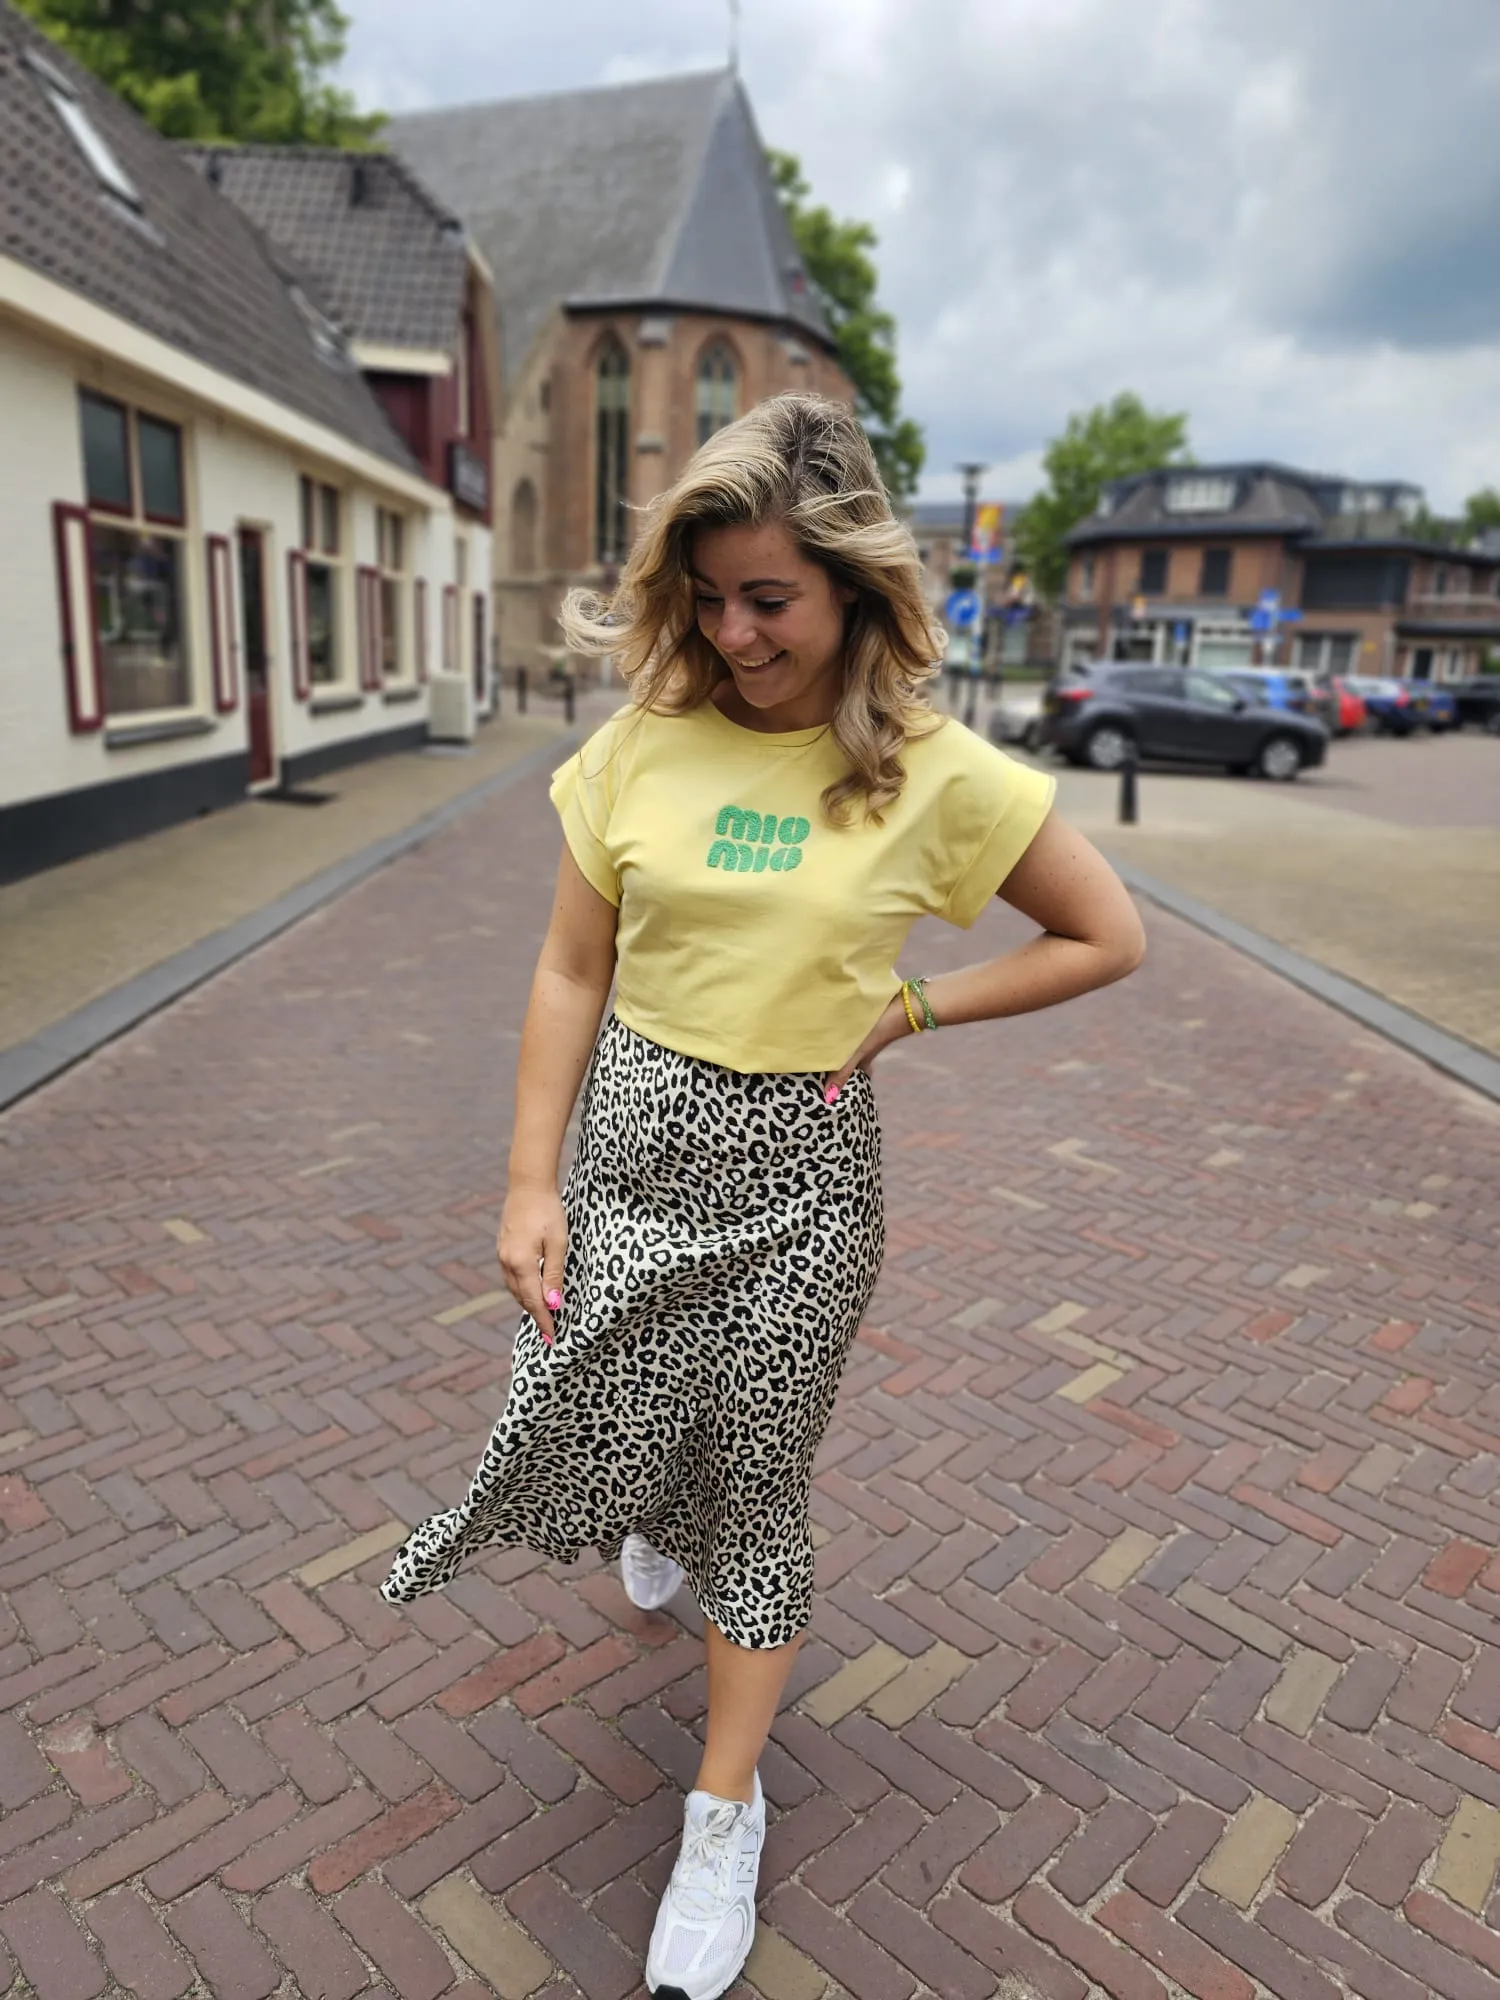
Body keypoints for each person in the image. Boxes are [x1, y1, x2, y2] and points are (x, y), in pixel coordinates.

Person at [381, 393, 1145, 2000]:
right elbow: (569, 966)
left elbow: (1106, 935)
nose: (734, 633)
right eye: (711, 595)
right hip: (630, 1156)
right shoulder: (638, 744)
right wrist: (526, 1181)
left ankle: (722, 1811)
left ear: (855, 593)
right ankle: (661, 1519)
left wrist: (917, 1006)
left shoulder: (935, 776)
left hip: (804, 1185)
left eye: (771, 599)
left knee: (761, 1482)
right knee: (597, 1404)